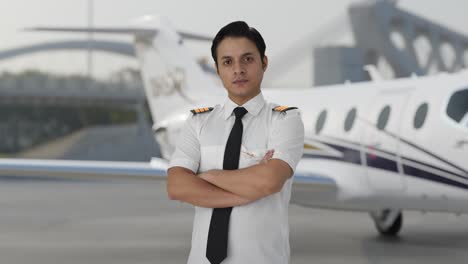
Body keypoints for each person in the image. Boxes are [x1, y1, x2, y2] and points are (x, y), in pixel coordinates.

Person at [167, 21, 304, 264]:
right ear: (218, 69)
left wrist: (208, 176)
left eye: (248, 59)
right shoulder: (198, 122)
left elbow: (269, 181)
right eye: (227, 62)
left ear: (264, 62)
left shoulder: (285, 119)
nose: (238, 69)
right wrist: (248, 192)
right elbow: (177, 187)